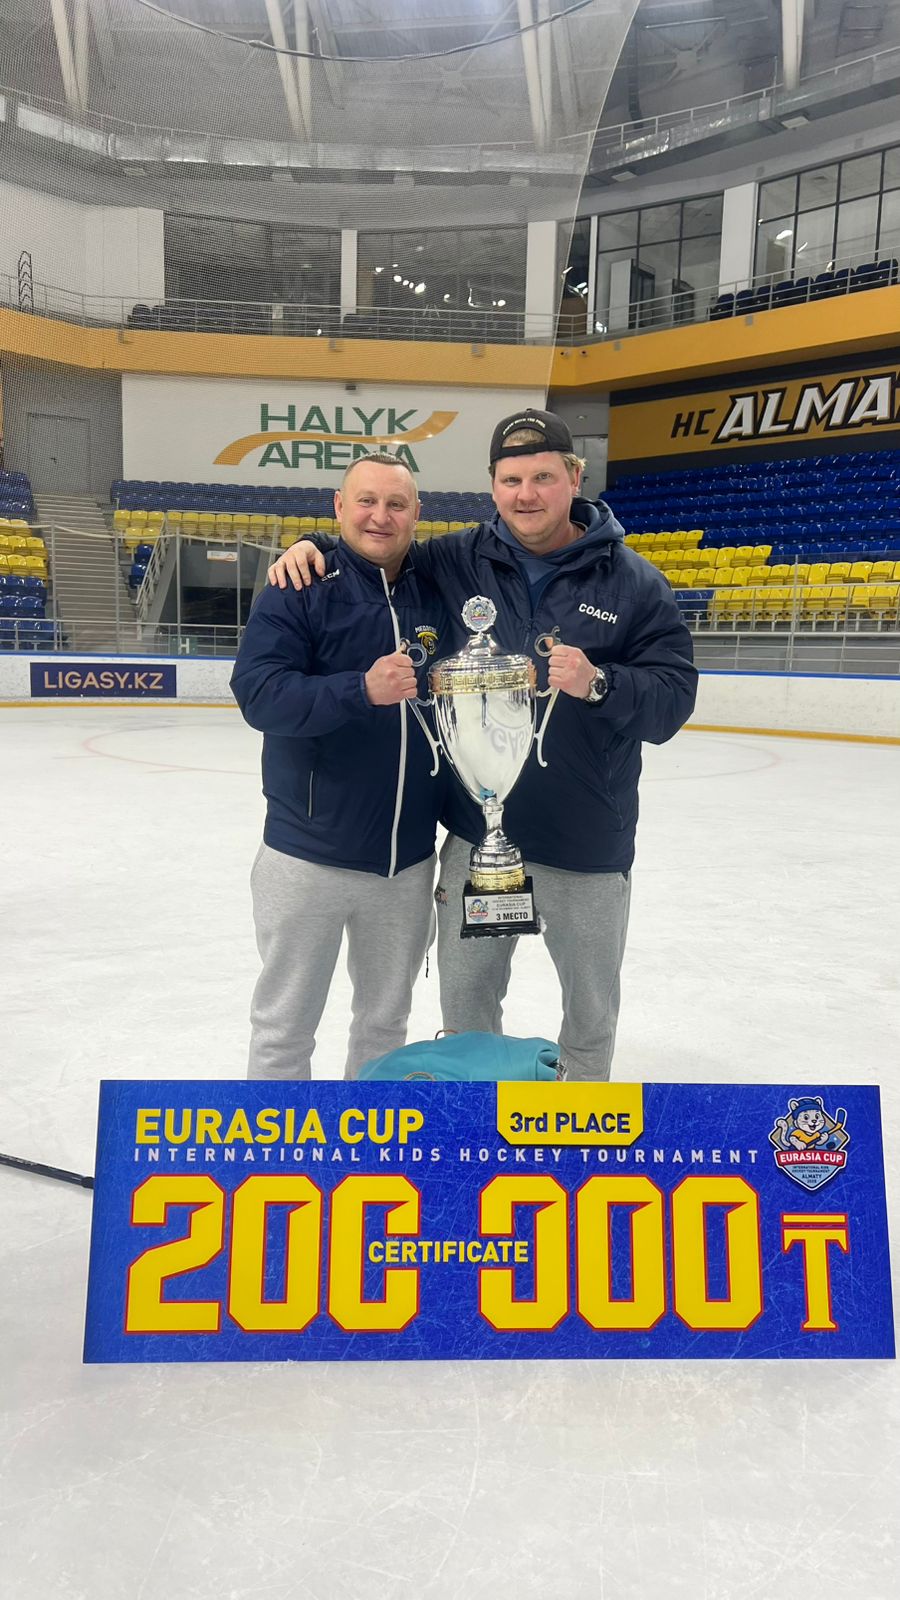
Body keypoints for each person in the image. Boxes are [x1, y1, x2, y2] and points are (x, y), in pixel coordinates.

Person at [268, 408, 697, 1080]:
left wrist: (600, 683)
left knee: (589, 1022)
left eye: (543, 478)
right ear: (493, 486)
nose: (526, 494)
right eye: (511, 480)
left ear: (574, 477)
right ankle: (479, 1138)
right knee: (467, 1021)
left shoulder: (634, 582)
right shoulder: (456, 559)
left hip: (587, 847)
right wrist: (312, 544)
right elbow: (377, 543)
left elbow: (673, 700)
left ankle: (577, 1135)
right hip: (477, 839)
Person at [231, 451, 449, 1081]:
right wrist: (360, 689)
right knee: (284, 1027)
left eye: (396, 504)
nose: (380, 516)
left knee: (385, 1026)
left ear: (416, 513)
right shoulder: (299, 585)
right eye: (366, 501)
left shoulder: (440, 586)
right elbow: (259, 694)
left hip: (406, 864)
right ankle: (277, 1143)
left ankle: (366, 1137)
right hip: (308, 857)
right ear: (338, 507)